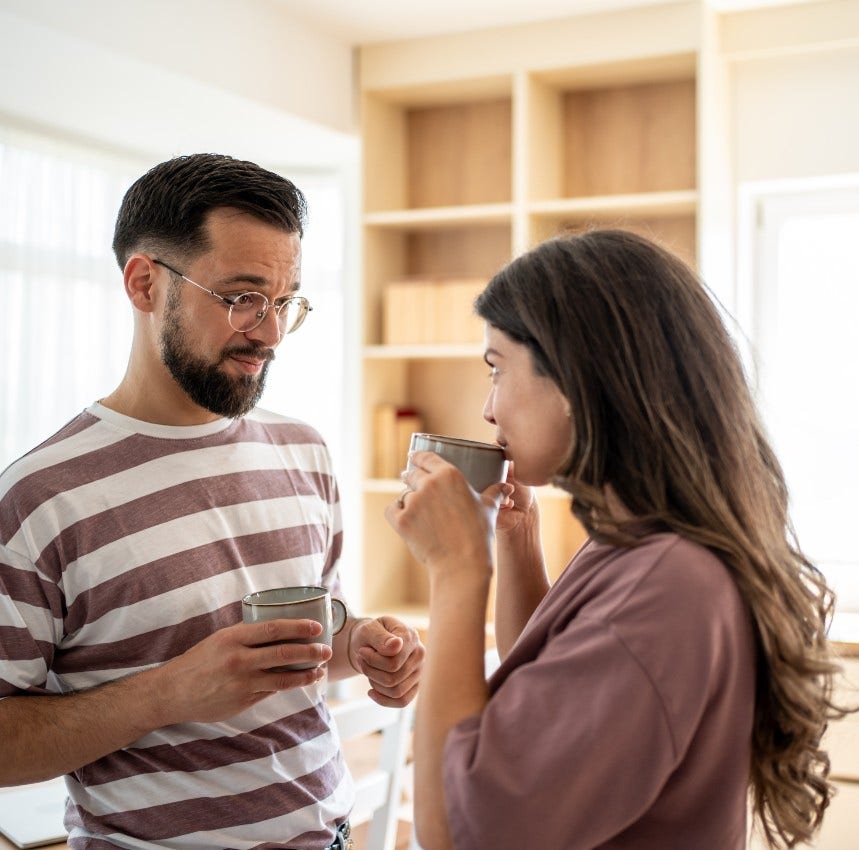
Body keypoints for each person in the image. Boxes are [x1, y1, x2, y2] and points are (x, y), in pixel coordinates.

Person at [0, 153, 423, 849]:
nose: (271, 332)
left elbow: (316, 642)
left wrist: (367, 645)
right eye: (242, 298)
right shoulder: (41, 497)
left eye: (285, 301)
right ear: (143, 283)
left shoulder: (304, 451)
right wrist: (169, 692)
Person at [386, 228, 848, 850]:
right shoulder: (645, 542)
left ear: (578, 380)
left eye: (497, 368)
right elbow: (553, 685)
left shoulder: (664, 588)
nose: (489, 410)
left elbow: (460, 834)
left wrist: (456, 572)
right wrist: (514, 538)